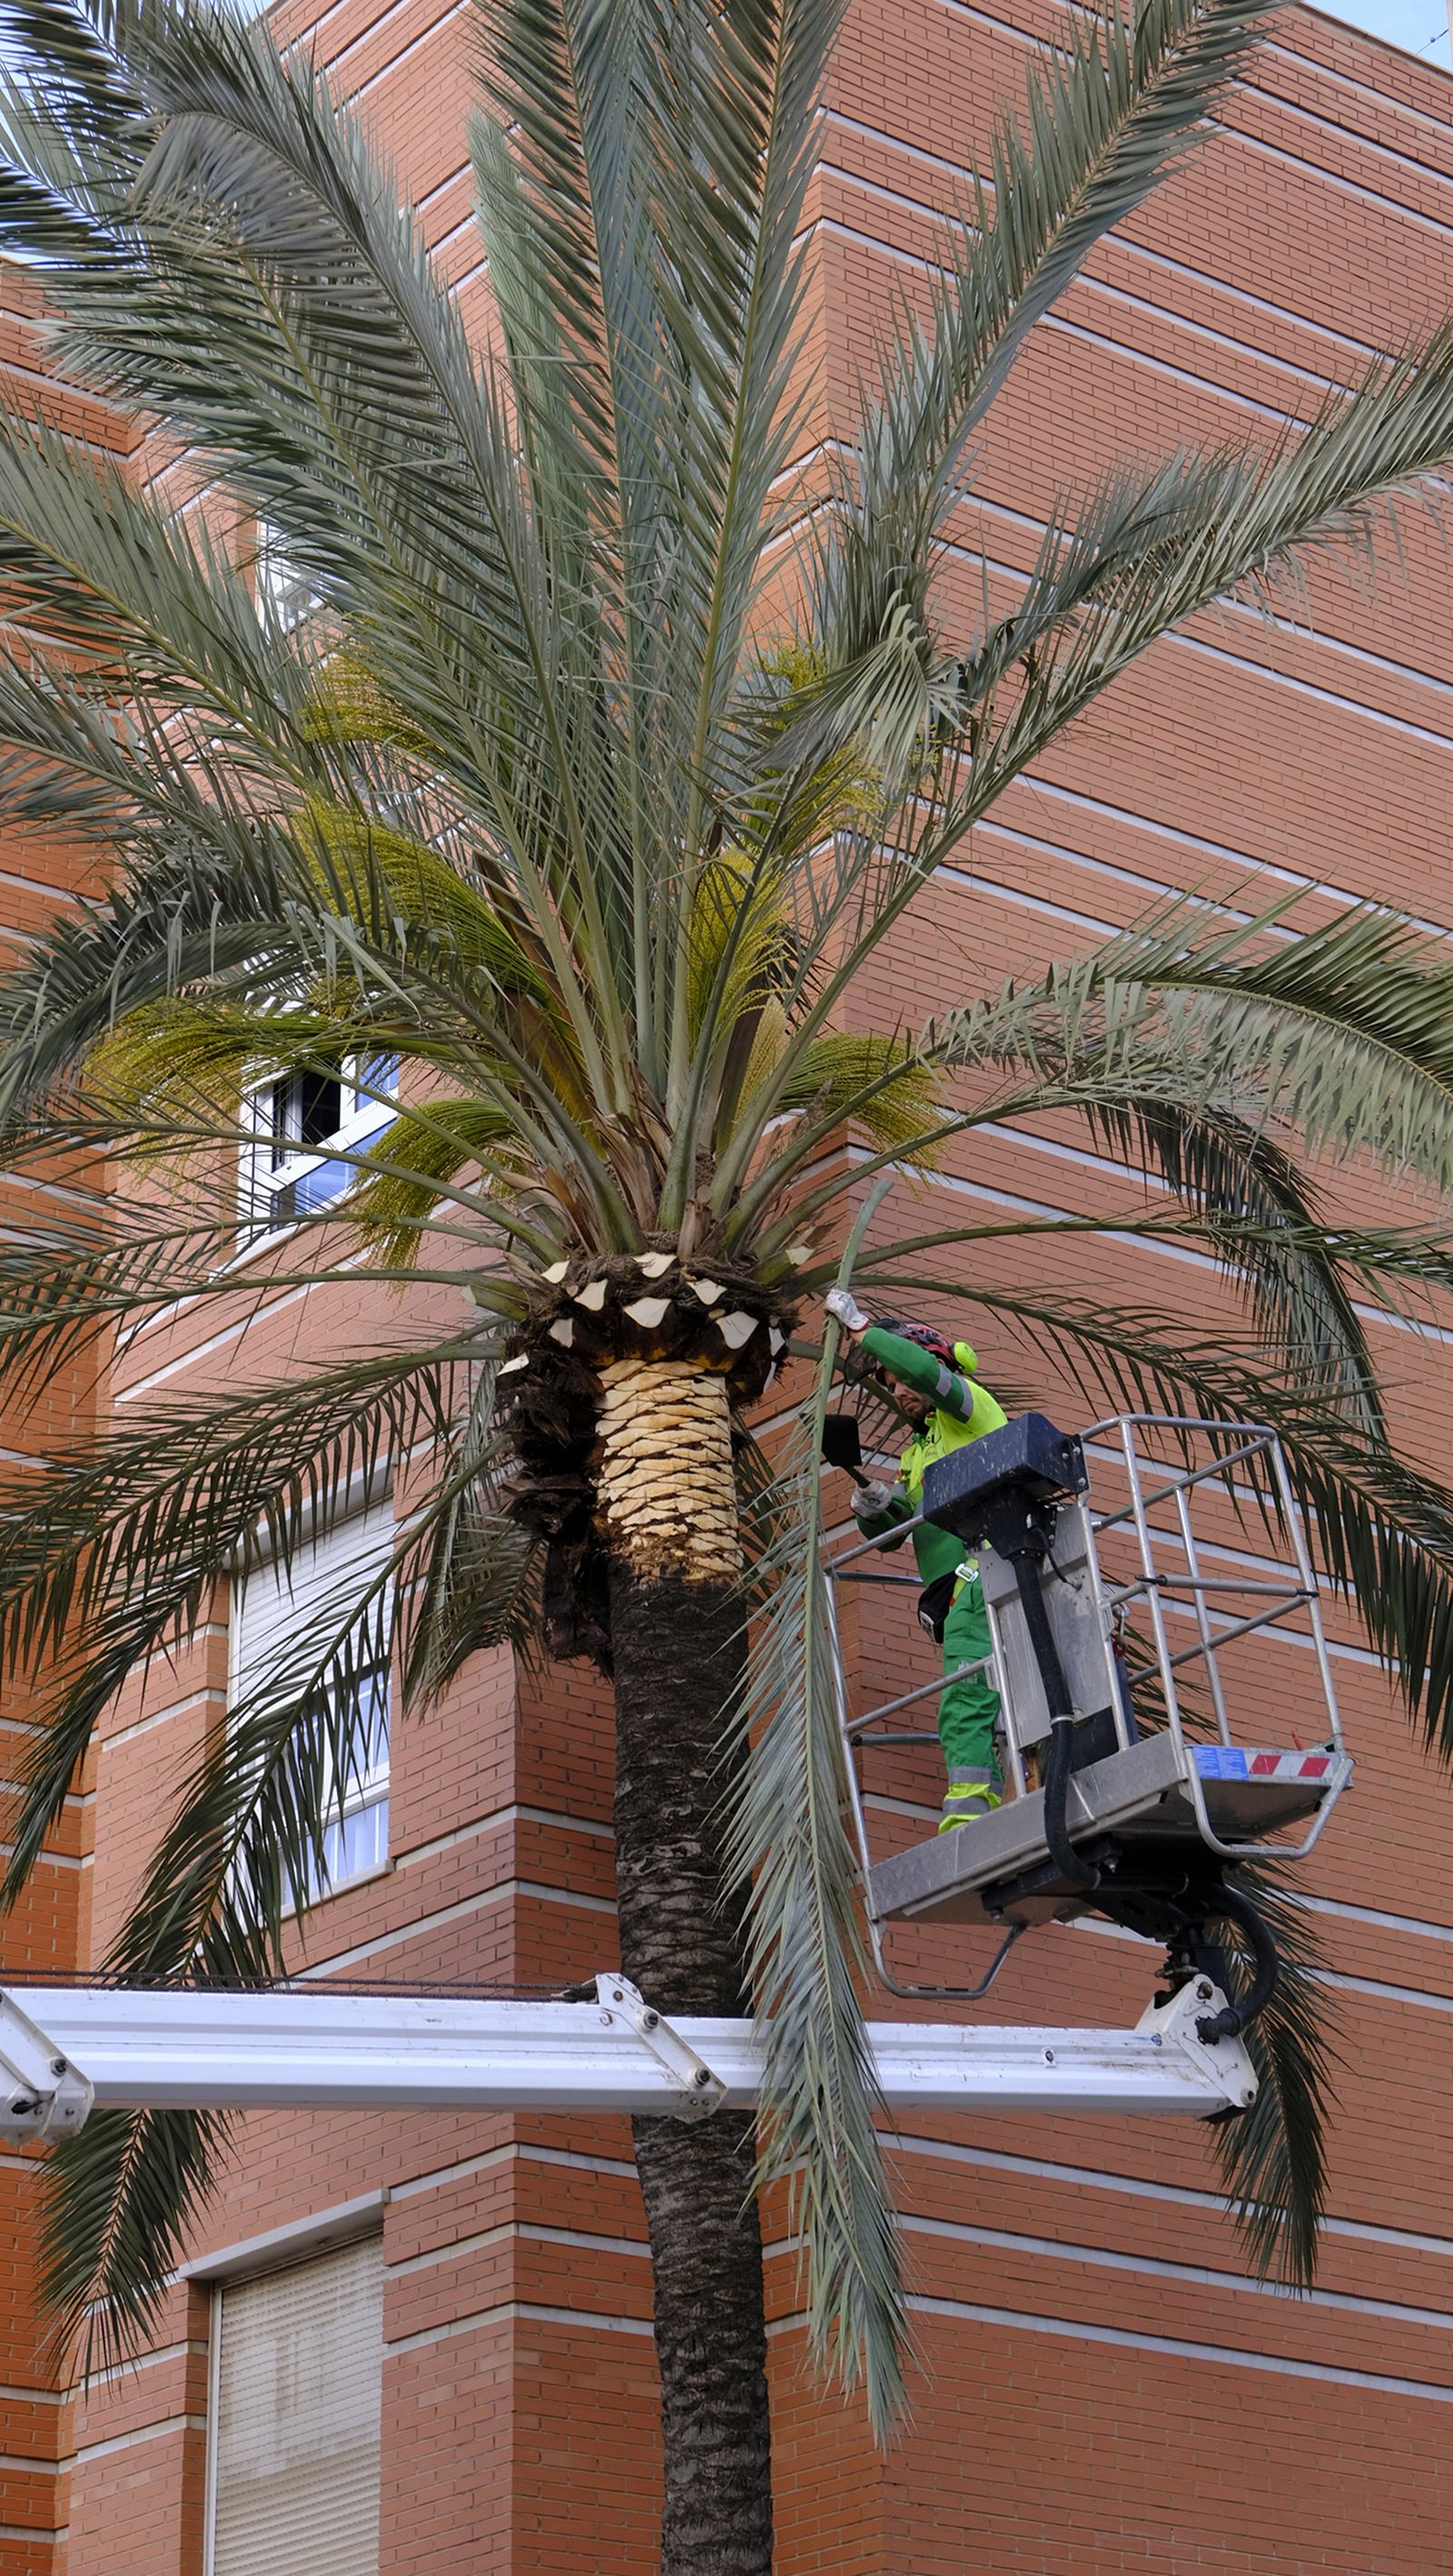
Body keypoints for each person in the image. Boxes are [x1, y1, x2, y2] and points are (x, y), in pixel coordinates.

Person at [825, 1289, 1009, 1831]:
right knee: (982, 1688)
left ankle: (971, 1810)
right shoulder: (917, 1453)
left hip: (988, 1563)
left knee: (967, 1686)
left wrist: (862, 1329)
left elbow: (929, 1378)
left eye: (900, 1377)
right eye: (889, 1384)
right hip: (957, 1585)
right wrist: (874, 1507)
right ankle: (982, 1798)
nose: (898, 1390)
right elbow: (892, 1538)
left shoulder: (970, 1406)